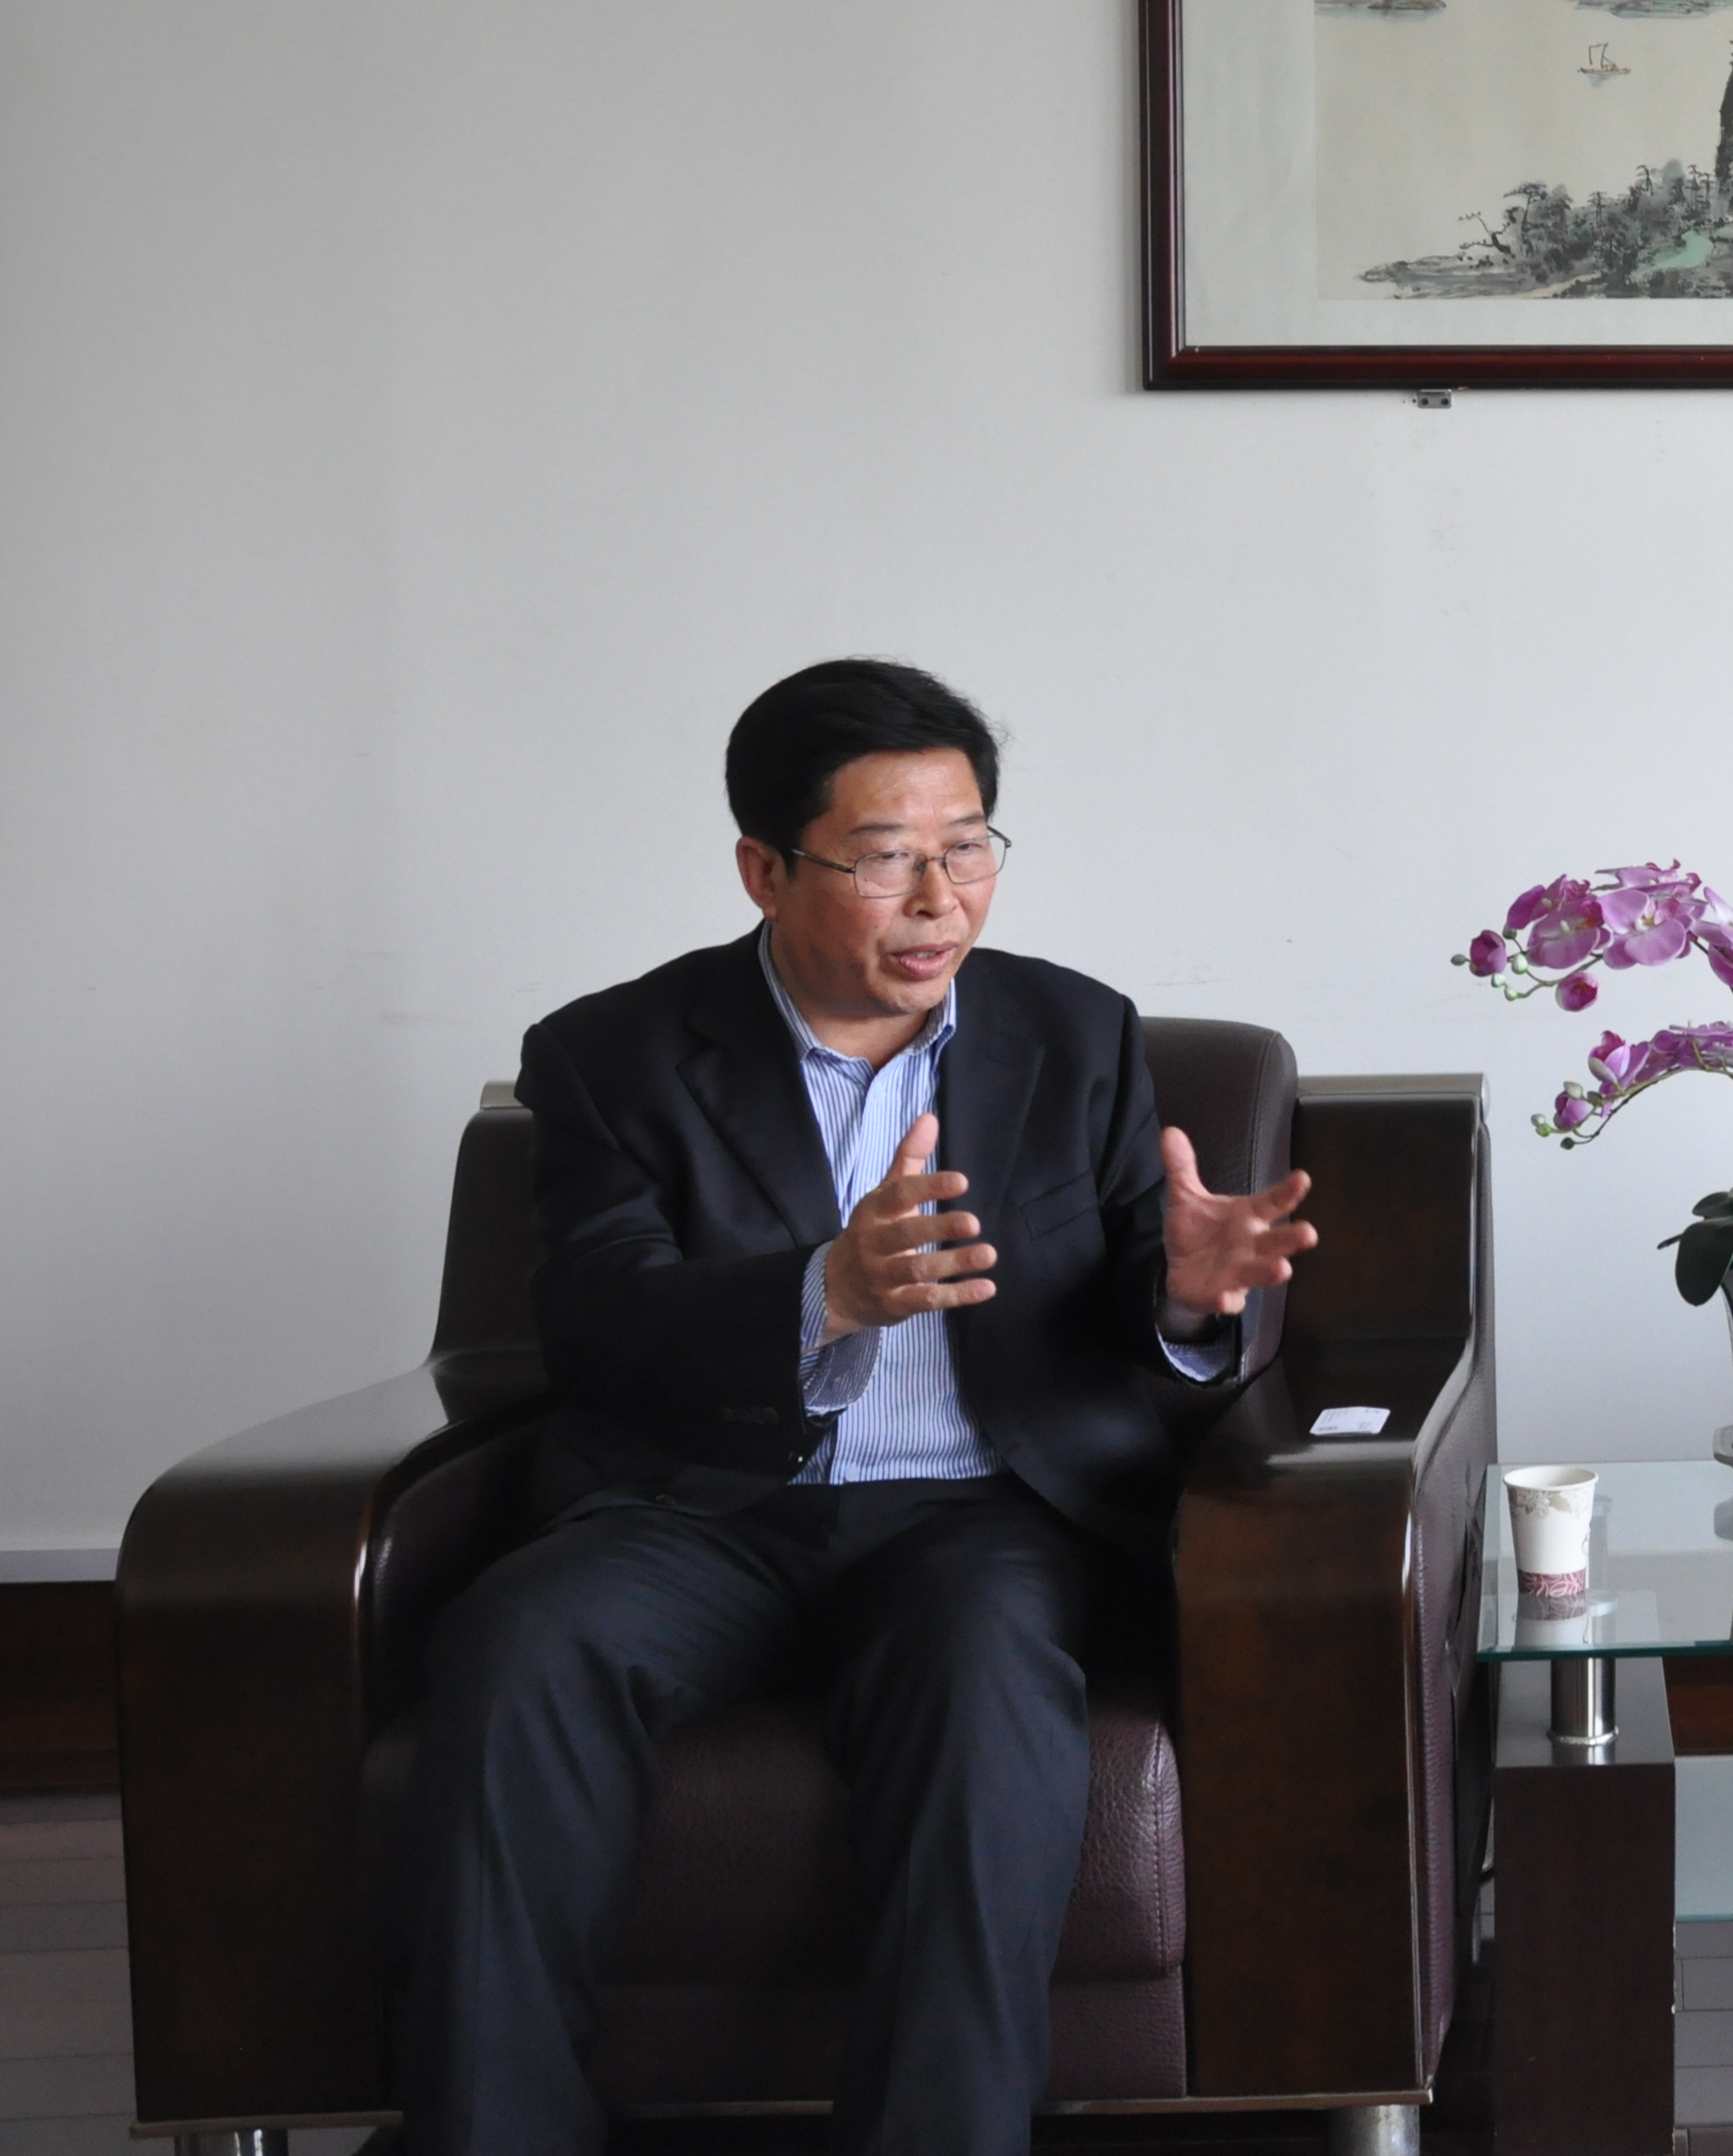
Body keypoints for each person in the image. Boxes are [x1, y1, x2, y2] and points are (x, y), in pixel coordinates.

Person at [395, 660, 1323, 2156]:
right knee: (520, 1647)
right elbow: (599, 1319)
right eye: (886, 857)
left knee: (983, 1682)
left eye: (969, 848)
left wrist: (1189, 1299)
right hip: (702, 1510)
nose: (939, 900)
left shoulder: (1076, 1034)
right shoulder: (613, 1055)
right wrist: (822, 1290)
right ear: (765, 869)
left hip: (981, 1514)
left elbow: (1122, 1308)